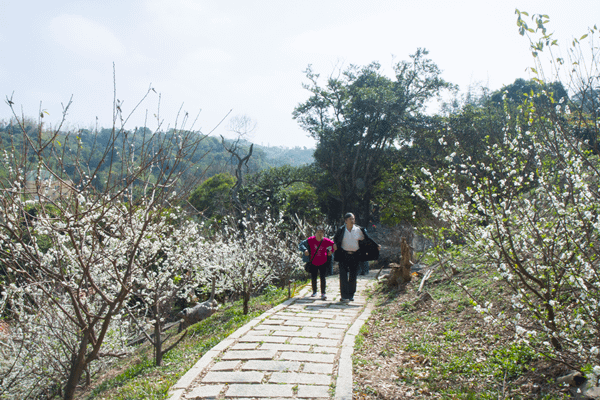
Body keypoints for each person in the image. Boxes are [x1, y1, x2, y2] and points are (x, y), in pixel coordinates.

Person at [334, 213, 380, 302]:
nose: (352, 221)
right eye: (350, 219)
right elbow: (336, 240)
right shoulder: (341, 230)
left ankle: (351, 295)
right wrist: (335, 245)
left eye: (353, 219)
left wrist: (376, 246)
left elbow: (368, 239)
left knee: (353, 275)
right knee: (343, 275)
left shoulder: (359, 230)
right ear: (346, 220)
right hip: (344, 254)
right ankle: (344, 295)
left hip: (355, 255)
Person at [300, 226, 336, 300]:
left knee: (323, 277)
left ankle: (323, 293)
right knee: (314, 277)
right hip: (313, 262)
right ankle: (314, 292)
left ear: (323, 234)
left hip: (323, 262)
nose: (319, 234)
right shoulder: (311, 239)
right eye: (318, 232)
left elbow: (334, 245)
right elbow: (301, 244)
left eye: (321, 232)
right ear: (315, 233)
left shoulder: (325, 240)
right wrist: (305, 250)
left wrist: (331, 251)